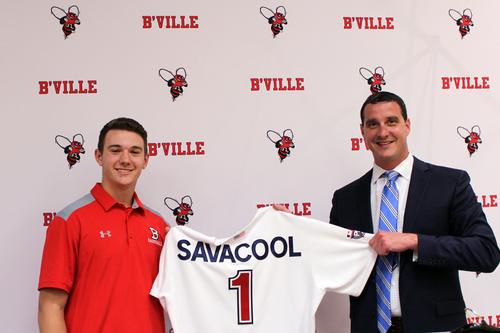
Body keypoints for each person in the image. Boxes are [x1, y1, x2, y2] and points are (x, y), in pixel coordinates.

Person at [329, 91, 499, 333]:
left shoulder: (450, 183)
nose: (382, 132)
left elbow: (486, 253)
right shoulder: (345, 198)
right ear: (363, 133)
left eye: (391, 121)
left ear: (407, 126)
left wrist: (414, 241)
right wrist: (288, 227)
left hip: (436, 328)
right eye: (373, 124)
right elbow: (332, 262)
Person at [38, 118, 169, 333]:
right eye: (115, 150)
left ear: (146, 160)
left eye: (135, 152)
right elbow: (50, 306)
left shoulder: (160, 225)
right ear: (99, 157)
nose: (125, 159)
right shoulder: (69, 220)